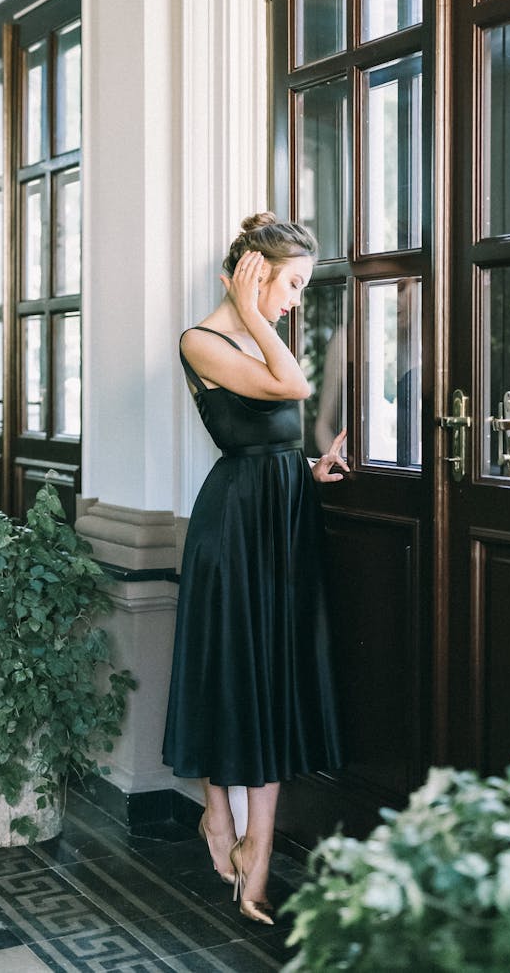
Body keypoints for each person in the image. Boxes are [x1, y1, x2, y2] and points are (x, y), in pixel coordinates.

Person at [162, 211, 347, 926]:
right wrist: (245, 308)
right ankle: (221, 822)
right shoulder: (200, 341)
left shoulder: (259, 337)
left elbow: (271, 434)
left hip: (282, 520)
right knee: (233, 677)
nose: (296, 301)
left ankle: (256, 867)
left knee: (271, 684)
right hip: (235, 528)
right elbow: (294, 388)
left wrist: (306, 467)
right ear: (256, 274)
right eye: (292, 284)